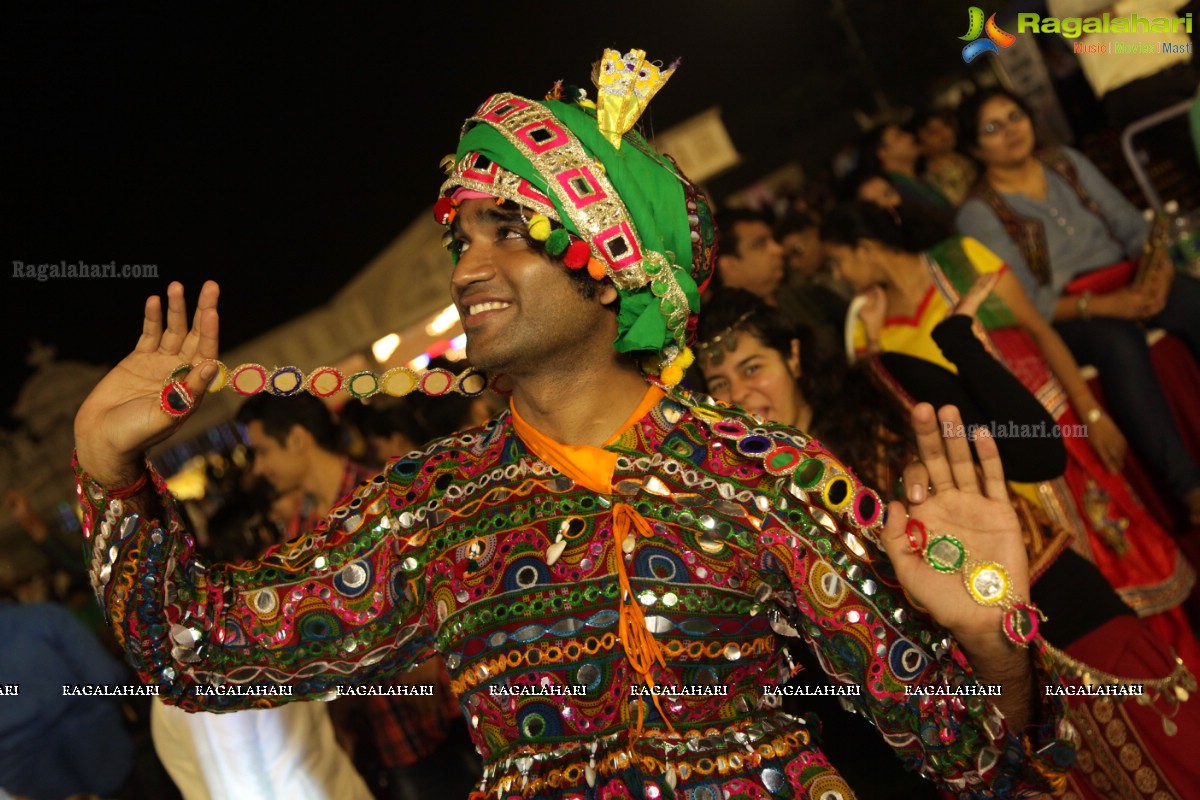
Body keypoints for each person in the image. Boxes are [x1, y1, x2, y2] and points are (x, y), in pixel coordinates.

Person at [70, 48, 1079, 798]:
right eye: (463, 235)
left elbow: (963, 748)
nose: (466, 268)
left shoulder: (763, 473)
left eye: (507, 231)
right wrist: (107, 471)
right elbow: (195, 650)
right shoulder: (430, 505)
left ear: (613, 261)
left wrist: (992, 640)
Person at [697, 285, 1200, 799]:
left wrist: (962, 344)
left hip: (1063, 617)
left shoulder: (880, 385)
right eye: (719, 382)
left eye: (753, 367)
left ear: (794, 356)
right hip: (973, 705)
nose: (738, 393)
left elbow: (1039, 454)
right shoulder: (758, 504)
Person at [821, 200, 1199, 671]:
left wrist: (1091, 411)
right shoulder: (866, 324)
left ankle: (1173, 671)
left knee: (1122, 547)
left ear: (866, 248)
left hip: (1051, 430)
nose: (840, 276)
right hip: (988, 481)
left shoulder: (960, 259)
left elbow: (1039, 331)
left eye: (839, 261)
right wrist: (872, 339)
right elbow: (883, 405)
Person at [955, 86, 1200, 525]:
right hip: (1069, 311)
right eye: (993, 127)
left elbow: (1132, 227)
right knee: (1117, 342)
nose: (1011, 130)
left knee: (1189, 296)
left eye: (1015, 116)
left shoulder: (1066, 162)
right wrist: (1105, 305)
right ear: (975, 147)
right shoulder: (978, 213)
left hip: (1129, 276)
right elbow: (1028, 302)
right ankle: (1190, 491)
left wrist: (1158, 277)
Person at [235, 391, 476, 799]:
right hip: (394, 732)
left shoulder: (389, 492)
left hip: (461, 710)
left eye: (262, 452)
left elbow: (464, 580)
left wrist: (425, 645)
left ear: (297, 439)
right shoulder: (298, 537)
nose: (260, 469)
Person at [709, 206, 786, 302]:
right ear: (729, 267)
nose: (779, 249)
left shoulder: (794, 298)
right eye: (760, 244)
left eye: (772, 239)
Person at [914, 108, 979, 207]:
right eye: (933, 132)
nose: (944, 134)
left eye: (945, 126)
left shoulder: (969, 156)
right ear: (920, 146)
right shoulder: (929, 180)